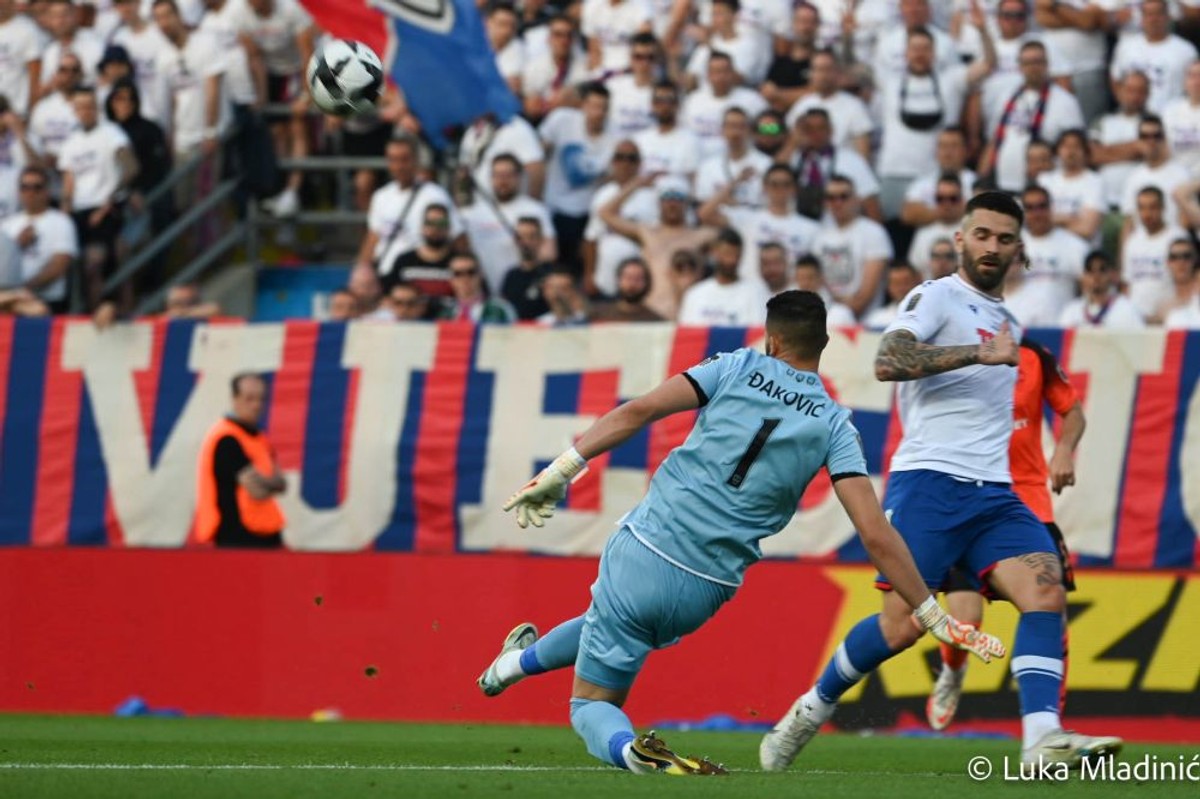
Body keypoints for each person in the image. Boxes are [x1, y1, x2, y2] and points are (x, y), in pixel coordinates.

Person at [479, 289, 1003, 775]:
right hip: (708, 587)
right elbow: (874, 533)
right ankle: (509, 668)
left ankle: (631, 752)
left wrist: (560, 471)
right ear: (822, 344)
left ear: (771, 338)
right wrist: (930, 612)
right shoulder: (835, 424)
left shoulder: (734, 366)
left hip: (647, 546)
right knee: (610, 625)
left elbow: (640, 411)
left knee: (591, 703)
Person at [760, 191, 1120, 772]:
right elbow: (888, 360)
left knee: (1046, 589)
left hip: (995, 495)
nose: (992, 247)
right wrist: (978, 354)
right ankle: (810, 707)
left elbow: (1060, 405)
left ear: (1017, 249)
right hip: (929, 485)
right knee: (899, 630)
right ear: (961, 238)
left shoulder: (1012, 322)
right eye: (982, 235)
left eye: (1004, 239)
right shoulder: (936, 297)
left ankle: (1041, 738)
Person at [927, 334, 1086, 731]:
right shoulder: (954, 354)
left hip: (1028, 504)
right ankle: (952, 672)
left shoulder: (1034, 356)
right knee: (966, 619)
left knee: (1051, 612)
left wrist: (1064, 449)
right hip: (972, 503)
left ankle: (1049, 726)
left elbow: (1073, 411)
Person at [59, 86, 138, 310]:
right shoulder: (70, 142)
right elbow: (69, 181)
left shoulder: (111, 133)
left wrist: (109, 202)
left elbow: (130, 168)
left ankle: (111, 310)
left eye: (89, 106)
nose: (85, 111)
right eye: (80, 107)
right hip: (79, 210)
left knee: (97, 261)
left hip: (106, 208)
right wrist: (65, 211)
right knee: (79, 267)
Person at [194, 372, 286, 549]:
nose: (257, 405)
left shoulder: (259, 439)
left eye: (261, 399)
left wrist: (267, 482)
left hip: (266, 533)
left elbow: (282, 484)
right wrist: (270, 483)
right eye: (249, 399)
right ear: (235, 399)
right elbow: (258, 490)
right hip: (238, 538)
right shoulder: (227, 439)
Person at [809, 174, 893, 318]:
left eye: (843, 196)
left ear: (856, 199)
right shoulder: (819, 236)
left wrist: (841, 307)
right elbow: (814, 283)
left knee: (840, 315)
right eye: (831, 197)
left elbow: (865, 296)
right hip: (825, 318)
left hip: (865, 321)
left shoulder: (873, 232)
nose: (837, 202)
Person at [0, 166, 77, 313]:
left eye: (37, 187)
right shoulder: (8, 224)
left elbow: (60, 264)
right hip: (9, 300)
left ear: (47, 191)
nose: (30, 192)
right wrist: (17, 244)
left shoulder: (61, 221)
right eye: (25, 187)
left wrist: (26, 288)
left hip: (45, 300)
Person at [677, 226, 767, 326]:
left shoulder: (755, 293)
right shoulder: (695, 295)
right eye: (727, 254)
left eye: (736, 255)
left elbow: (758, 336)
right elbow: (687, 336)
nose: (731, 260)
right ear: (714, 253)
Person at [385, 203, 456, 299]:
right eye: (430, 223)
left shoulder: (461, 263)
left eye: (441, 223)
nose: (436, 228)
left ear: (449, 227)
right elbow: (389, 296)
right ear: (422, 226)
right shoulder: (404, 261)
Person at [1057, 251, 1145, 329]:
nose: (1096, 276)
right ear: (1083, 277)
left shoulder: (1126, 309)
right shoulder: (1072, 311)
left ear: (1113, 275)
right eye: (1090, 270)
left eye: (1102, 270)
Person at [438, 251, 517, 323]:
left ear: (481, 274)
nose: (465, 278)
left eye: (470, 272)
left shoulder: (499, 309)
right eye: (458, 274)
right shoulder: (446, 313)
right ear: (451, 279)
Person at [590, 256, 663, 321]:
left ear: (647, 283)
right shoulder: (599, 314)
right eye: (628, 278)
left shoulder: (654, 321)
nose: (632, 284)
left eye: (638, 279)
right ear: (618, 280)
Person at [862, 261, 922, 331]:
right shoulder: (877, 318)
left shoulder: (929, 315)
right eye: (896, 283)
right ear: (888, 287)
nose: (901, 288)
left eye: (906, 282)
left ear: (917, 282)